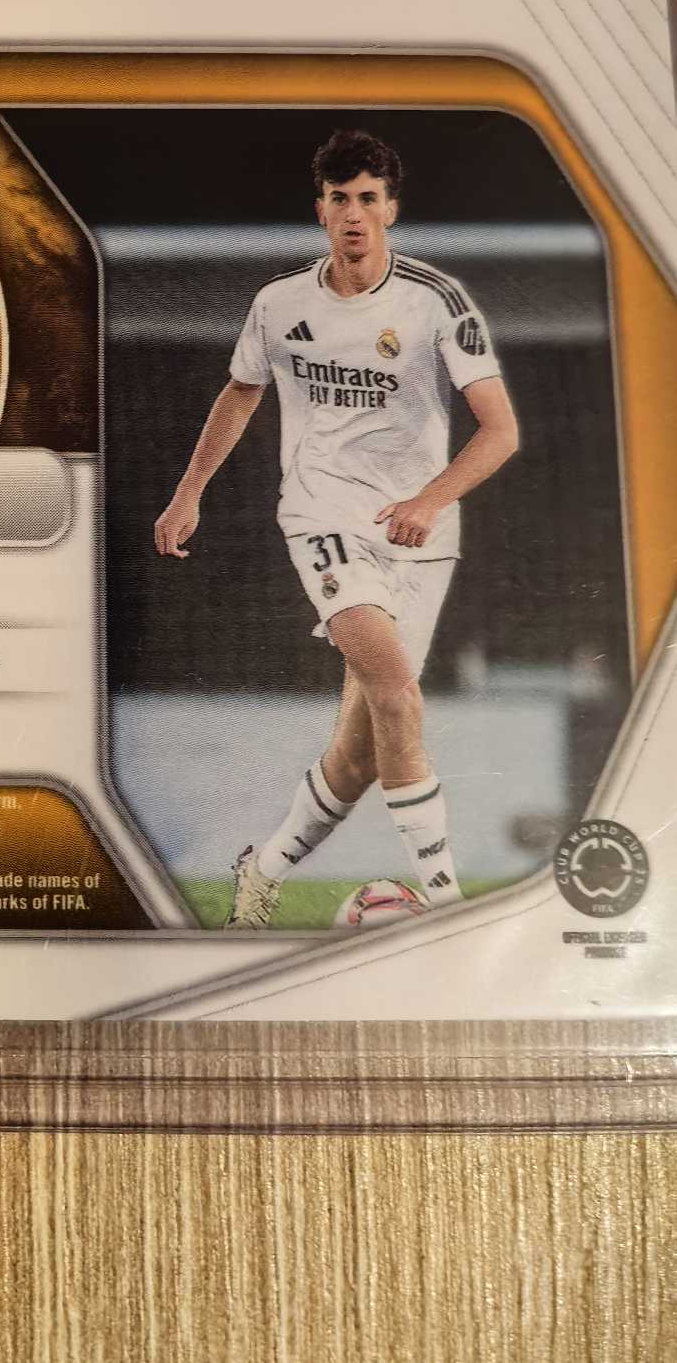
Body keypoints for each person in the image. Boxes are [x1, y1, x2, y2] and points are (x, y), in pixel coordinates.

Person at [153, 128, 520, 928]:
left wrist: (428, 500)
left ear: (391, 209)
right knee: (397, 690)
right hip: (322, 516)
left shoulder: (436, 301)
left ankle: (262, 871)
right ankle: (446, 908)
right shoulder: (280, 304)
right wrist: (189, 493)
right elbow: (241, 392)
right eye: (339, 199)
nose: (354, 214)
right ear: (319, 209)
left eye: (368, 199)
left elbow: (500, 431)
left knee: (359, 754)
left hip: (420, 534)